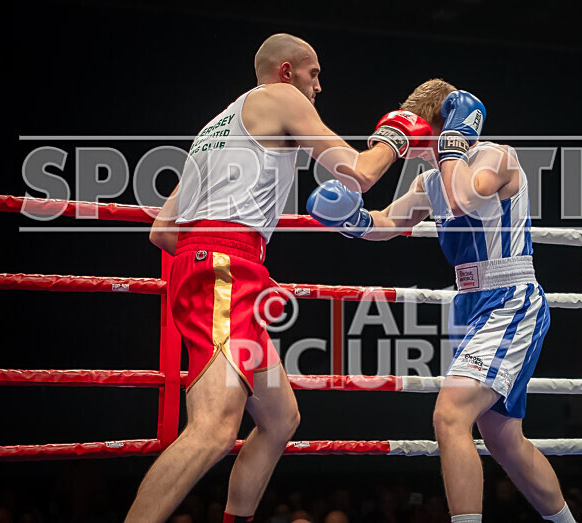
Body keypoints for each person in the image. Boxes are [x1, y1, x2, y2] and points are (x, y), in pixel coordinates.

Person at [128, 33, 432, 523]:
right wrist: (395, 136)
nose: (318, 89)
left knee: (280, 417)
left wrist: (214, 252)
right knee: (213, 428)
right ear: (288, 71)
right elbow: (356, 173)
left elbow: (163, 232)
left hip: (214, 265)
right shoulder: (281, 97)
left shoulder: (215, 126)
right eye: (314, 75)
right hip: (225, 269)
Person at [306, 79, 574, 522]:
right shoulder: (431, 180)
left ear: (439, 126)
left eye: (414, 127)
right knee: (504, 438)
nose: (405, 138)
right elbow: (386, 222)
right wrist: (349, 220)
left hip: (509, 299)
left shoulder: (494, 156)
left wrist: (452, 144)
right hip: (471, 306)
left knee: (450, 416)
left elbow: (467, 198)